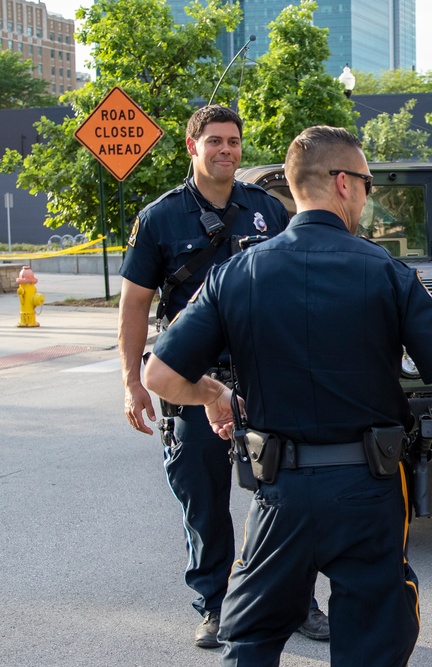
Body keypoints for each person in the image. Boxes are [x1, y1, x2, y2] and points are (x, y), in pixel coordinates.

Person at [143, 125, 432, 666]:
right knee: (371, 642)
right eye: (367, 183)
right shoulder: (387, 272)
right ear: (343, 183)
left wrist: (212, 394)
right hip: (367, 492)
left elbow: (160, 374)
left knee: (248, 640)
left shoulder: (236, 272)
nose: (367, 196)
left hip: (279, 494)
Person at [117, 105, 328, 647]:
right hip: (191, 379)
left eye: (233, 141)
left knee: (286, 491)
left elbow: (296, 283)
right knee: (203, 497)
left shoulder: (266, 210)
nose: (226, 150)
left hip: (263, 375)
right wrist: (131, 380)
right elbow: (135, 304)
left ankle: (300, 602)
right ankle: (214, 604)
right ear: (192, 147)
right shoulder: (159, 218)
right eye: (215, 141)